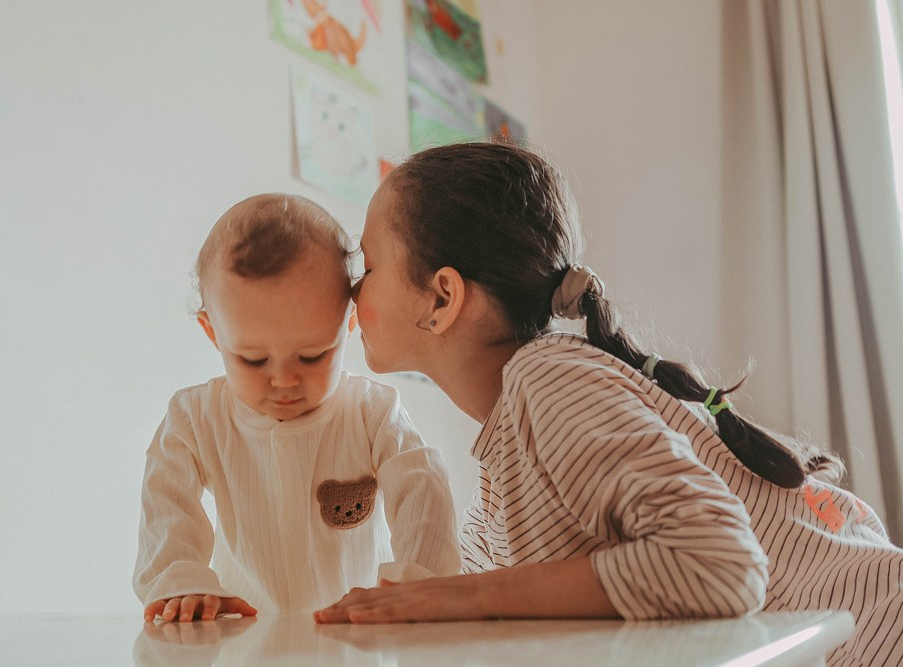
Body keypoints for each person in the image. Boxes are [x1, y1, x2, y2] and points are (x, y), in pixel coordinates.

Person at [314, 142, 903, 667]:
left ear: (442, 298)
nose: (351, 289)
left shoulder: (550, 380)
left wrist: (459, 597)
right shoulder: (504, 464)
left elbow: (718, 567)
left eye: (367, 266)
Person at [134, 193, 460, 623]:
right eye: (252, 360)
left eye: (312, 356)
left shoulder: (372, 412)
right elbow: (166, 504)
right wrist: (182, 579)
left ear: (348, 322)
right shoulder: (195, 418)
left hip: (355, 637)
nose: (285, 381)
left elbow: (421, 489)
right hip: (244, 637)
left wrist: (419, 584)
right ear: (213, 332)